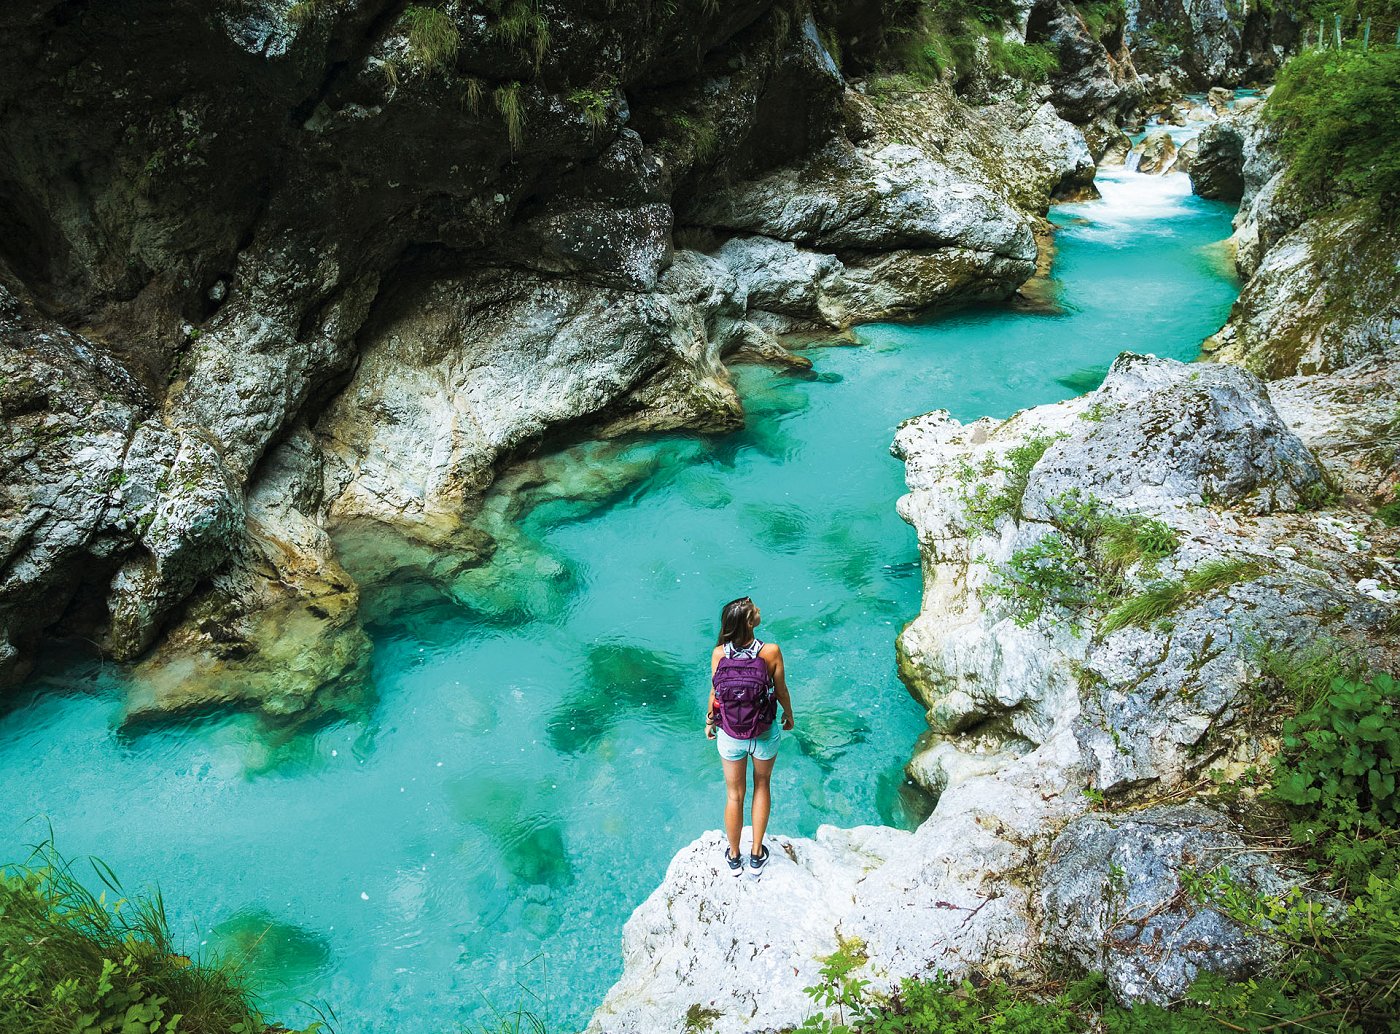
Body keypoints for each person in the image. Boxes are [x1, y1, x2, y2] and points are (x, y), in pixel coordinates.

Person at [706, 596, 794, 878]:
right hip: (764, 731)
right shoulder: (770, 652)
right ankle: (756, 854)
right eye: (754, 609)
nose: (759, 610)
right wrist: (789, 715)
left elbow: (715, 693)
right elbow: (780, 691)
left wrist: (710, 721)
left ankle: (734, 857)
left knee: (734, 795)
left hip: (730, 734)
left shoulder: (720, 653)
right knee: (762, 785)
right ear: (748, 621)